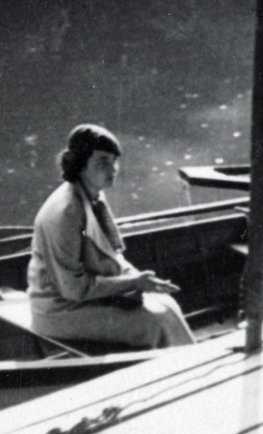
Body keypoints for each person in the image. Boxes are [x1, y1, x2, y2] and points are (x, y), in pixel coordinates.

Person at [27, 124, 195, 349]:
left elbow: (111, 254)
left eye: (114, 160)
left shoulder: (94, 193)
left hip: (83, 298)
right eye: (103, 162)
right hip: (58, 309)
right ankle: (171, 376)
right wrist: (133, 282)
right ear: (80, 165)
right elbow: (72, 289)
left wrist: (140, 282)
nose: (113, 169)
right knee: (152, 323)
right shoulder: (65, 213)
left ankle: (184, 367)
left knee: (166, 303)